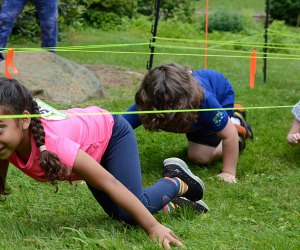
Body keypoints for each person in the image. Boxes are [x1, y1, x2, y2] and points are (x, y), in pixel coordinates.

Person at [0, 77, 207, 249]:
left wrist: (153, 228)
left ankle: (177, 180)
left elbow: (110, 183)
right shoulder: (8, 141)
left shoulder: (55, 146)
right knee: (120, 214)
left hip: (112, 136)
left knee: (132, 213)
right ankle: (173, 205)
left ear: (24, 121)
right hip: (89, 148)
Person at [123, 63, 253, 184]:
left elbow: (229, 135)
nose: (164, 108)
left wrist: (228, 172)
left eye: (170, 106)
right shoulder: (152, 102)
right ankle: (229, 121)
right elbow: (116, 124)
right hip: (201, 110)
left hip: (221, 96)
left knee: (200, 156)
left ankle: (236, 122)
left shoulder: (205, 103)